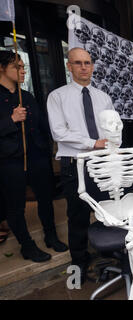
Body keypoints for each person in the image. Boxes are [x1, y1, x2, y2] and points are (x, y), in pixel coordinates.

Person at [47, 47, 114, 283]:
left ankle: (108, 251)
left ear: (93, 66)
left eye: (87, 62)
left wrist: (111, 147)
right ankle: (79, 264)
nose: (83, 67)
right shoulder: (57, 97)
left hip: (102, 162)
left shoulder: (103, 97)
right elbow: (59, 133)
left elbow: (112, 129)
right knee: (78, 216)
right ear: (69, 66)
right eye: (78, 63)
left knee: (107, 210)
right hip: (74, 165)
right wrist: (92, 143)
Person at [0, 50, 68, 261]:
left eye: (23, 67)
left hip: (37, 156)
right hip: (10, 160)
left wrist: (60, 139)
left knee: (46, 198)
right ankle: (27, 245)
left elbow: (42, 125)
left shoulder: (27, 96)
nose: (23, 71)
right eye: (17, 67)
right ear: (2, 69)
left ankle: (51, 236)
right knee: (16, 205)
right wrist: (10, 120)